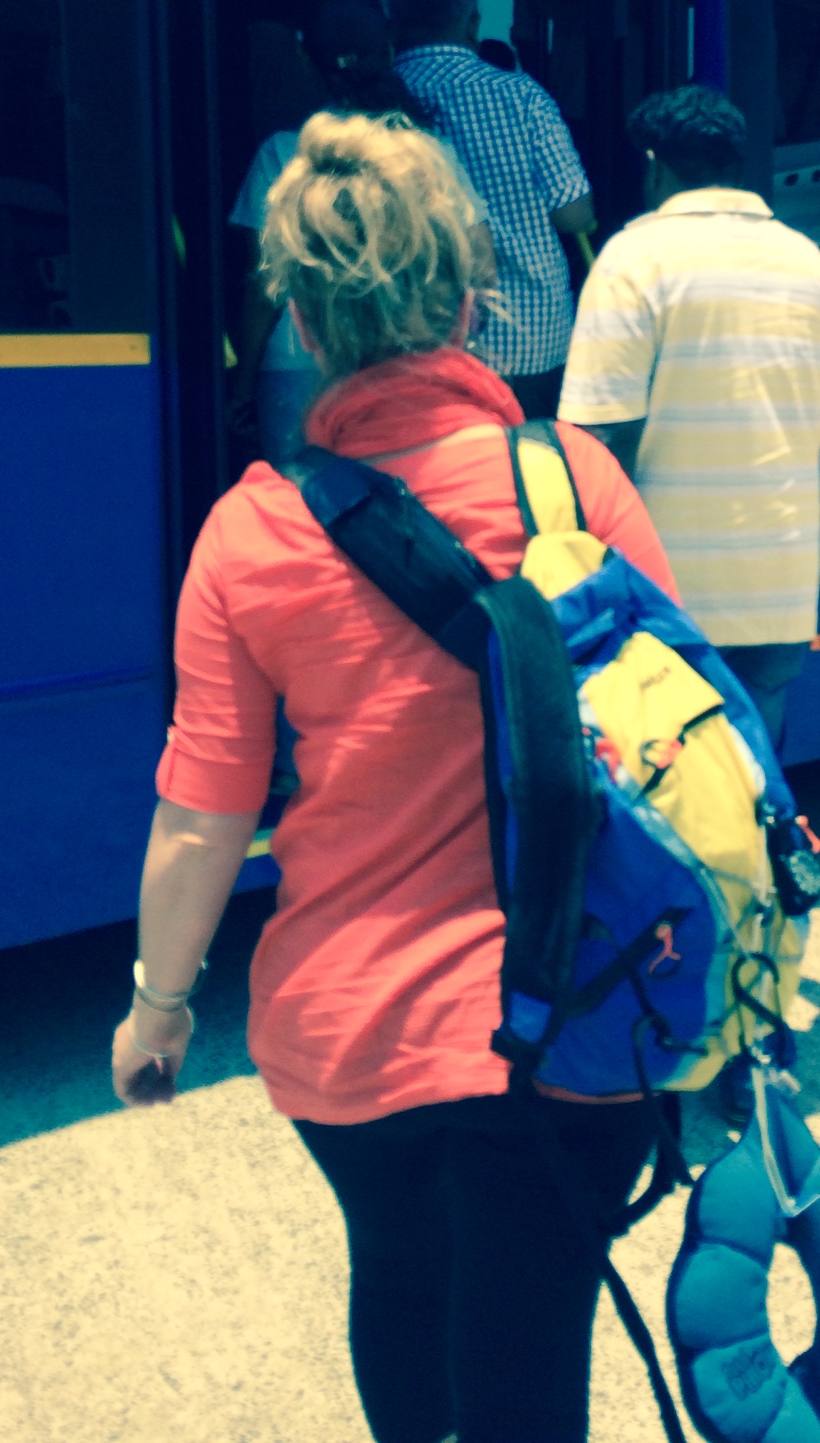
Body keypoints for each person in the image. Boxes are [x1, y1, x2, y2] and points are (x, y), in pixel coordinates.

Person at [113, 110, 679, 1443]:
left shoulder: (249, 537)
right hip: (572, 1020)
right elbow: (666, 744)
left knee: (403, 1276)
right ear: (475, 299)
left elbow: (202, 824)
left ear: (303, 321)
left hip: (350, 1041)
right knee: (534, 1332)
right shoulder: (575, 481)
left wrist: (159, 1009)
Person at [559, 85, 820, 752]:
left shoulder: (634, 259)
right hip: (783, 582)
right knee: (755, 783)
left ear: (655, 164)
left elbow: (597, 442)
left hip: (670, 591)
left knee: (675, 801)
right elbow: (817, 412)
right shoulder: (809, 261)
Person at [227, 0, 490, 465]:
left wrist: (241, 385)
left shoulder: (281, 155)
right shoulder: (431, 153)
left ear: (306, 59)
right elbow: (481, 269)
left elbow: (264, 287)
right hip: (411, 361)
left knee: (304, 511)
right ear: (389, 48)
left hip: (295, 371)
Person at [390, 0, 594, 419]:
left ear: (393, 24)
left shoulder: (375, 98)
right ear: (472, 23)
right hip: (528, 335)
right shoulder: (521, 95)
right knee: (528, 472)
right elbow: (574, 216)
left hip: (408, 336)